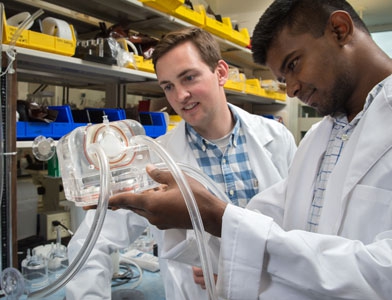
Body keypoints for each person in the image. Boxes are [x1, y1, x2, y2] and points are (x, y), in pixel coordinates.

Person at [108, 0, 392, 299]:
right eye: (283, 79)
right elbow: (272, 227)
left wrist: (212, 215)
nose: (291, 90)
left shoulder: (282, 136)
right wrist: (194, 218)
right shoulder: (321, 138)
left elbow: (381, 273)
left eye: (293, 64)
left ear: (339, 29)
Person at [65, 27, 297, 299]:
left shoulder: (276, 138)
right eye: (168, 86)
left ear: (220, 72)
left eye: (189, 77)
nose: (180, 96)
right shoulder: (153, 160)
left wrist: (242, 277)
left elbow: (301, 230)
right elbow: (90, 242)